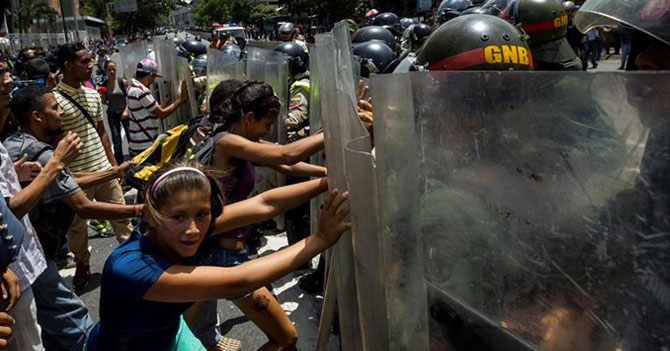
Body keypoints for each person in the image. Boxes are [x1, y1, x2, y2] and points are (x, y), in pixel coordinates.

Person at [85, 160, 350, 351]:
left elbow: (264, 204)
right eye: (178, 217)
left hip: (169, 335)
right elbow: (237, 281)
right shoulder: (131, 267)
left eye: (202, 214)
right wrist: (320, 239)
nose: (193, 229)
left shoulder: (189, 226)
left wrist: (331, 182)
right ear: (150, 216)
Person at [190, 80, 326, 350]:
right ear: (249, 118)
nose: (268, 131)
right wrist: (339, 129)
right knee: (286, 339)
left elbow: (282, 160)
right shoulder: (227, 143)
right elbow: (286, 153)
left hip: (220, 251)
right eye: (267, 124)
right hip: (225, 257)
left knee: (192, 333)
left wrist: (324, 174)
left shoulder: (232, 136)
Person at [0, 56, 83, 351]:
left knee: (47, 331)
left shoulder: (7, 145)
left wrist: (15, 173)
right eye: (0, 76)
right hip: (18, 265)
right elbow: (10, 210)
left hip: (28, 259)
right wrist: (56, 162)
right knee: (72, 325)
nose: (9, 81)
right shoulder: (44, 153)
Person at [53, 43, 133, 290]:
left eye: (90, 61)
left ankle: (132, 262)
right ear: (68, 66)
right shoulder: (53, 100)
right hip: (76, 178)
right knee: (77, 229)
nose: (91, 66)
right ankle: (82, 264)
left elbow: (102, 132)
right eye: (85, 62)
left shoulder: (92, 94)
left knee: (122, 218)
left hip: (104, 171)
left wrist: (113, 163)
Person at [126, 58, 188, 157]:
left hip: (137, 143)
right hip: (143, 145)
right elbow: (162, 113)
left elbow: (154, 109)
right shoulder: (141, 91)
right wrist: (180, 100)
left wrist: (169, 98)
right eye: (154, 77)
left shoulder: (132, 88)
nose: (153, 81)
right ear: (150, 76)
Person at [101, 60, 130, 166]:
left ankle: (135, 159)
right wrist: (101, 95)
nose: (112, 72)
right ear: (105, 72)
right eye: (109, 70)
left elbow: (129, 97)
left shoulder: (121, 82)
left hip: (124, 113)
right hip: (112, 114)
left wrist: (126, 111)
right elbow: (104, 102)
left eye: (113, 69)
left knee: (130, 136)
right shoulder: (104, 85)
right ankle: (120, 163)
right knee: (116, 139)